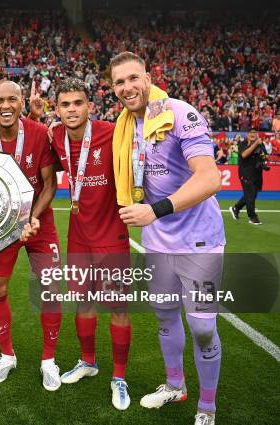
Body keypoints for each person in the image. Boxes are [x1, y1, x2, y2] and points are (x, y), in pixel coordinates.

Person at [110, 52, 225, 425]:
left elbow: (209, 179)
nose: (127, 88)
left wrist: (154, 211)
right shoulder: (124, 126)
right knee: (164, 316)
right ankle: (175, 384)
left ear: (148, 77)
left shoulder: (179, 113)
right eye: (118, 82)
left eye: (132, 78)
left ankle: (207, 408)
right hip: (158, 242)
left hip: (199, 242)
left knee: (203, 326)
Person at [0, 80, 61, 390]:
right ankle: (7, 355)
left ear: (22, 102)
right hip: (2, 226)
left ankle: (49, 360)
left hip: (38, 223)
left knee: (49, 289)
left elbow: (50, 185)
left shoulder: (38, 134)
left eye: (12, 100)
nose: (5, 106)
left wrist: (33, 217)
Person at [48, 78, 132, 410]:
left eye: (78, 103)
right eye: (65, 104)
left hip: (112, 234)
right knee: (82, 302)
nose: (72, 109)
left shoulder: (112, 133)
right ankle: (88, 362)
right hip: (79, 234)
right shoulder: (53, 136)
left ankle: (119, 377)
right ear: (57, 110)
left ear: (89, 107)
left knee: (118, 307)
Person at [229, 128, 267, 225]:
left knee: (252, 195)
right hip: (245, 172)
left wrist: (264, 158)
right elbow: (244, 155)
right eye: (251, 132)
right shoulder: (243, 143)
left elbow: (265, 156)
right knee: (250, 195)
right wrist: (255, 144)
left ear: (257, 134)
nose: (253, 134)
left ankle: (236, 208)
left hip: (257, 173)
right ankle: (252, 217)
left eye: (254, 132)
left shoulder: (260, 144)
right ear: (247, 134)